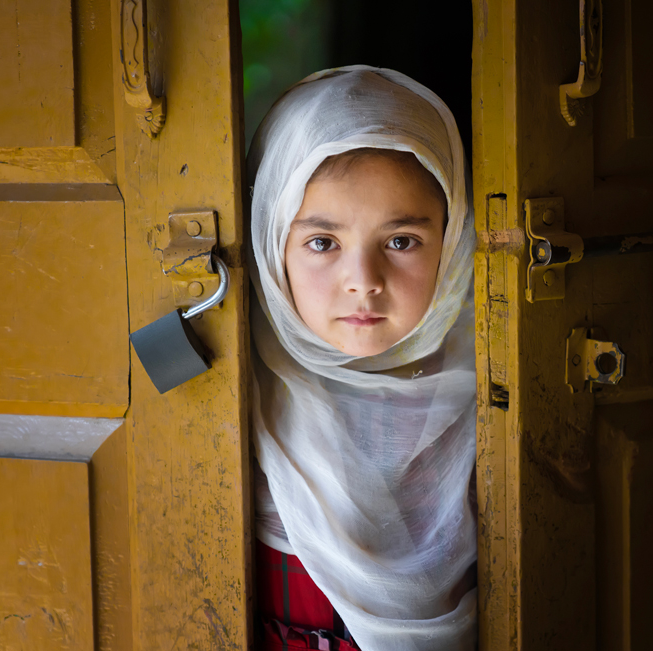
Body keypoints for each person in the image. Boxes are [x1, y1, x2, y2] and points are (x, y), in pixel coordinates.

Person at [248, 66, 477, 651]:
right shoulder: (236, 389)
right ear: (271, 244)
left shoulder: (491, 386)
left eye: (401, 241)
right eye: (322, 243)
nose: (363, 281)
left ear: (453, 243)